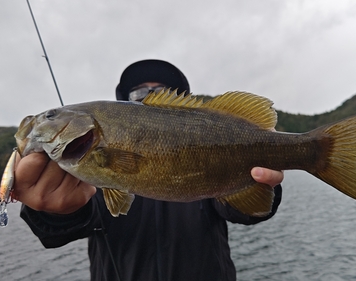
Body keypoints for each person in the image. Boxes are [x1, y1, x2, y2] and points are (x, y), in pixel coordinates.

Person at [14, 59, 284, 281]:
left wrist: (264, 182)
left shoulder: (203, 134)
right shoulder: (84, 173)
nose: (152, 95)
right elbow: (68, 224)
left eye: (162, 90)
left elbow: (246, 211)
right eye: (140, 92)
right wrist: (51, 210)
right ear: (126, 103)